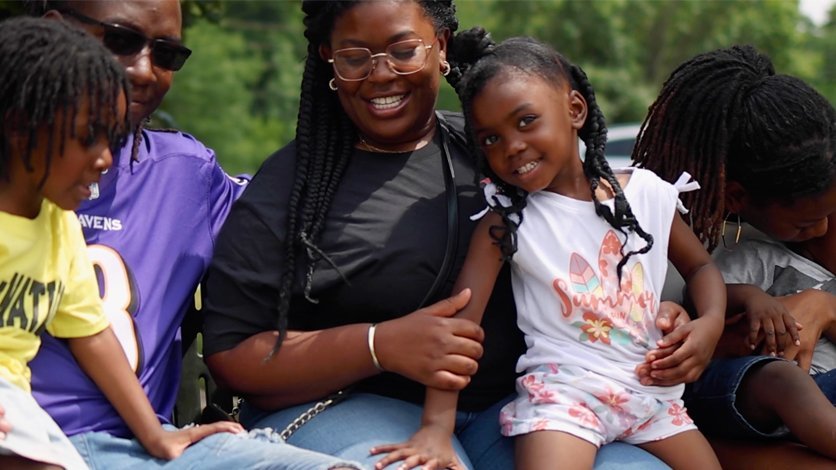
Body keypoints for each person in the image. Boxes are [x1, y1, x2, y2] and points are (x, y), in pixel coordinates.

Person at [201, 1, 683, 469]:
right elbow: (233, 353)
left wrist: (673, 311)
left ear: (441, 45)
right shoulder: (295, 184)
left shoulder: (502, 155)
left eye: (403, 50)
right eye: (354, 57)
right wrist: (378, 344)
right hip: (355, 407)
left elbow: (591, 253)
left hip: (525, 408)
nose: (381, 73)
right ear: (329, 58)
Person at [22, 1, 361, 469]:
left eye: (167, 55)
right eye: (121, 40)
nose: (144, 71)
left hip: (141, 445)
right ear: (55, 31)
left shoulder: (186, 175)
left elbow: (306, 221)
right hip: (24, 439)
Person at [369, 30, 726, 470]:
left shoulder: (647, 194)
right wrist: (436, 429)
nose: (512, 147)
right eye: (490, 140)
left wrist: (709, 325)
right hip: (565, 398)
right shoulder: (508, 221)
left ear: (574, 109)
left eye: (525, 122)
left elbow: (702, 267)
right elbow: (460, 329)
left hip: (655, 397)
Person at [0, 16, 247, 469]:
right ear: (20, 126)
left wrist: (158, 438)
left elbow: (91, 333)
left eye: (111, 138)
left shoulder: (56, 226)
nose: (105, 159)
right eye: (88, 137)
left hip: (20, 414)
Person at [633, 44, 836, 465]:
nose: (821, 229)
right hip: (717, 413)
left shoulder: (811, 201)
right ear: (736, 197)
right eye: (804, 225)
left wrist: (824, 308)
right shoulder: (653, 236)